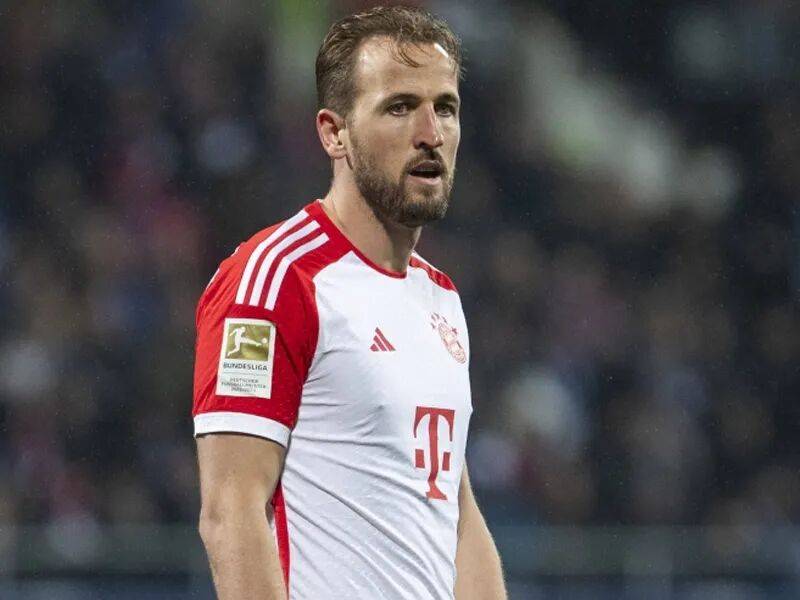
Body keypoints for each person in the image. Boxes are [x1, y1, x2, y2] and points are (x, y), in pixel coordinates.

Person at [193, 6, 507, 599]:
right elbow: (231, 511)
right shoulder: (275, 280)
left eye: (445, 107)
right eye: (399, 107)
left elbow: (458, 515)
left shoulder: (440, 297)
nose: (431, 133)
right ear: (333, 133)